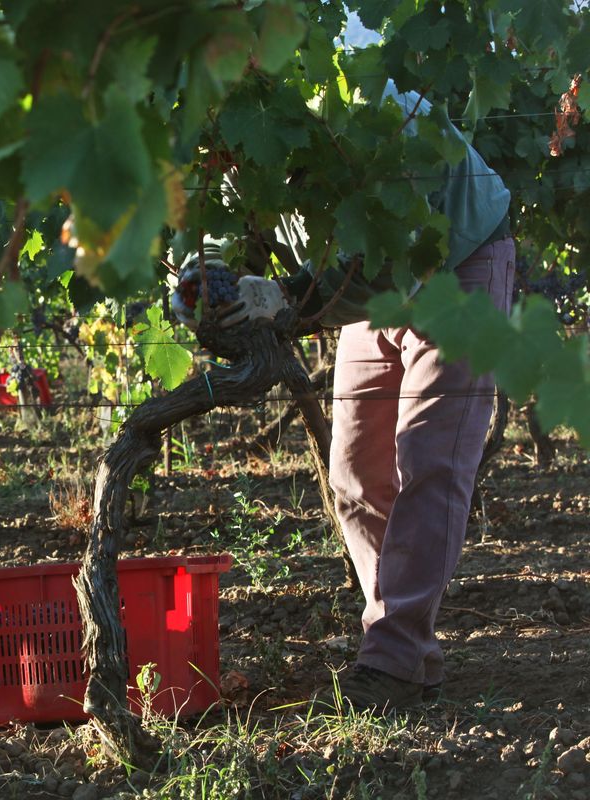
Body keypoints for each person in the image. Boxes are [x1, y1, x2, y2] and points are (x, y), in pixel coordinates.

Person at [173, 77, 514, 713]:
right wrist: (209, 276)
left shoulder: (355, 105)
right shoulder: (248, 117)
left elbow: (381, 260)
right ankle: (403, 646)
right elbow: (226, 219)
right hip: (363, 275)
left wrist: (284, 304)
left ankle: (393, 654)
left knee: (432, 462)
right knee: (354, 472)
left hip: (455, 259)